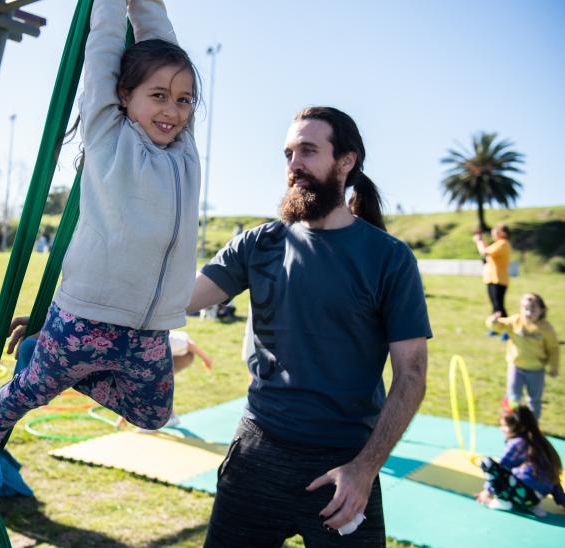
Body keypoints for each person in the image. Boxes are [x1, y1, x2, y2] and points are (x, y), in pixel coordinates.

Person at [0, 0, 202, 490]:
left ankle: (55, 366)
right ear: (122, 96)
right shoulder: (107, 134)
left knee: (154, 414)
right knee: (28, 392)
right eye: (158, 96)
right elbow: (102, 50)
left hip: (148, 329)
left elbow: (166, 45)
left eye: (183, 100)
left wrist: (147, 4)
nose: (172, 110)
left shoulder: (183, 149)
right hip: (86, 316)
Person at [189, 107, 431, 546]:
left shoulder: (389, 258)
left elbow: (411, 375)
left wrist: (364, 469)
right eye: (288, 154)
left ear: (346, 161)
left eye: (308, 151)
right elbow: (176, 302)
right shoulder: (258, 244)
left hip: (345, 470)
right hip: (257, 456)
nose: (293, 164)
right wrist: (69, 316)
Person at [476, 404, 565, 517]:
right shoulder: (542, 443)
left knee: (487, 463)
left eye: (504, 426)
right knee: (517, 475)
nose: (501, 429)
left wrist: (486, 491)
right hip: (534, 499)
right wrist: (562, 500)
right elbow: (554, 479)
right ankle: (529, 505)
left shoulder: (518, 443)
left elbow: (502, 468)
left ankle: (503, 502)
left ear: (518, 427)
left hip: (524, 494)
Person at [487, 293, 559, 418]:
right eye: (525, 309)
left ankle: (533, 426)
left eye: (533, 309)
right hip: (516, 368)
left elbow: (553, 348)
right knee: (513, 397)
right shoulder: (515, 321)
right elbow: (498, 326)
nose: (528, 313)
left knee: (534, 400)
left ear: (542, 310)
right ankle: (512, 423)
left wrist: (554, 366)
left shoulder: (546, 329)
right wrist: (492, 321)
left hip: (536, 370)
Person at [473, 223, 511, 336]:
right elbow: (487, 251)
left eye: (496, 231)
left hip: (498, 279)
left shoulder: (502, 244)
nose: (493, 233)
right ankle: (495, 328)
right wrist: (481, 241)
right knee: (495, 306)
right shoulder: (498, 244)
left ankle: (507, 330)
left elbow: (484, 251)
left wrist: (478, 241)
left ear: (503, 233)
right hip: (492, 279)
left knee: (499, 307)